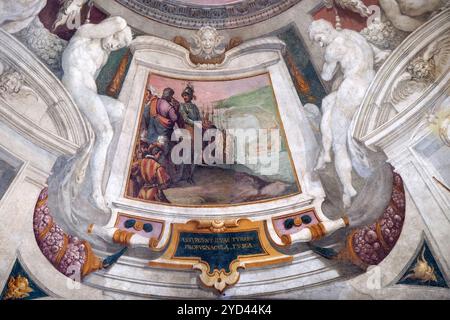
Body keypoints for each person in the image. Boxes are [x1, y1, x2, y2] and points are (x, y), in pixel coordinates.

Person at [61, 16, 132, 212]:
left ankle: (93, 154)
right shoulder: (85, 32)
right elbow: (119, 21)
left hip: (87, 94)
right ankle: (95, 193)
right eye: (116, 40)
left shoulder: (104, 56)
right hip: (74, 86)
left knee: (120, 110)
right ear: (108, 30)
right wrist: (120, 27)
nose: (114, 45)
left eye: (119, 46)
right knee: (106, 133)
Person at [180, 85, 201, 184]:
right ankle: (184, 176)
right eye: (184, 95)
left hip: (196, 131)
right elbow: (185, 119)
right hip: (188, 131)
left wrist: (200, 124)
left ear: (191, 96)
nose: (185, 97)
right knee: (187, 154)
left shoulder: (194, 107)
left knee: (195, 154)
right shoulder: (182, 106)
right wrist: (196, 124)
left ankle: (191, 175)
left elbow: (198, 117)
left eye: (187, 95)